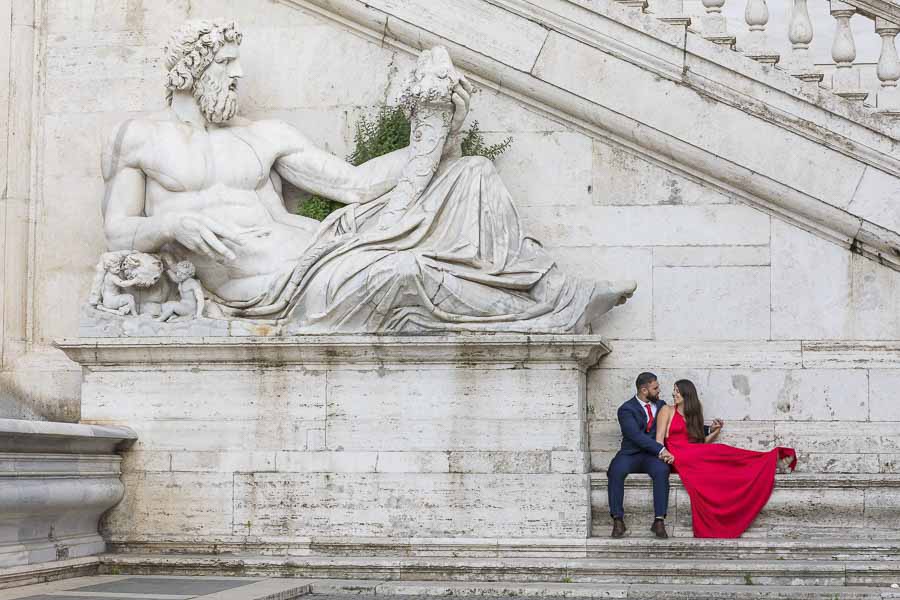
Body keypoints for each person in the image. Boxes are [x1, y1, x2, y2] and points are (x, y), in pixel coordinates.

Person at [99, 19, 636, 333]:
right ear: (192, 68)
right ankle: (549, 312)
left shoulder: (264, 135)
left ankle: (548, 289)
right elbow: (118, 231)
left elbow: (354, 186)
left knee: (470, 172)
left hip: (323, 248)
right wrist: (170, 228)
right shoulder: (142, 138)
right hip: (266, 286)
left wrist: (438, 131)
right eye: (227, 62)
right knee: (403, 272)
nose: (238, 74)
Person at [655, 379, 797, 538]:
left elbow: (700, 442)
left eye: (677, 391)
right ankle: (770, 461)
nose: (674, 393)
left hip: (694, 452)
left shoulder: (693, 413)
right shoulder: (666, 410)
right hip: (677, 455)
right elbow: (659, 439)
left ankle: (769, 461)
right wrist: (664, 454)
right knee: (718, 451)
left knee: (721, 450)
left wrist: (716, 431)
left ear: (687, 393)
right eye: (674, 390)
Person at [607, 372, 675, 539]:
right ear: (644, 390)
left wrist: (708, 429)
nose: (659, 391)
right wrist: (661, 450)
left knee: (662, 470)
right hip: (630, 454)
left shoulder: (661, 405)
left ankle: (659, 520)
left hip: (651, 457)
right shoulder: (626, 409)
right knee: (615, 471)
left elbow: (677, 424)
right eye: (655, 388)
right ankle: (617, 519)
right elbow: (635, 436)